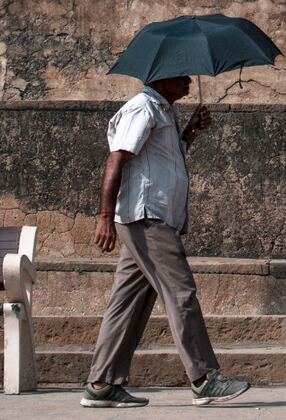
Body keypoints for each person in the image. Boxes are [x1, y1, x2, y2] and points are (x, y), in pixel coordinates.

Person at [81, 76, 250, 408]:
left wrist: (188, 135)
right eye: (182, 75)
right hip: (147, 218)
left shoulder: (165, 113)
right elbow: (116, 159)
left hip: (153, 218)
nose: (188, 80)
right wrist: (104, 216)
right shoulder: (142, 109)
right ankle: (204, 378)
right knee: (180, 292)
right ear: (161, 79)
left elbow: (161, 162)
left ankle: (101, 383)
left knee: (128, 302)